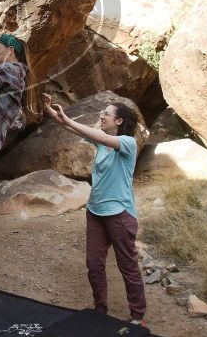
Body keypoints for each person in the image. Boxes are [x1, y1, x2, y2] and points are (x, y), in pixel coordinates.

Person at [43, 94, 147, 325]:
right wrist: (55, 116)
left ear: (119, 122)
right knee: (94, 264)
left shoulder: (128, 143)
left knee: (127, 265)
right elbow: (82, 133)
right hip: (96, 212)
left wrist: (68, 120)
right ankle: (100, 310)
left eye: (107, 114)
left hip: (119, 213)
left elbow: (94, 134)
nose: (102, 115)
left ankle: (138, 316)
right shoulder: (101, 142)